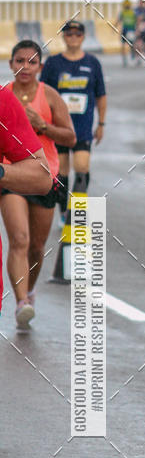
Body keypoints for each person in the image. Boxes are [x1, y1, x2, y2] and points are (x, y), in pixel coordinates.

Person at [1, 41, 75, 327]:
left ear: (40, 67)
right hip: (10, 176)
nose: (25, 67)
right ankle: (21, 301)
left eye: (31, 62)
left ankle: (29, 290)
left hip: (45, 177)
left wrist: (42, 126)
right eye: (19, 60)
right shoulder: (4, 96)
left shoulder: (50, 97)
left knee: (36, 246)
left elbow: (70, 137)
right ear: (10, 64)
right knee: (19, 238)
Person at [41, 20, 106, 215]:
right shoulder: (53, 63)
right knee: (61, 171)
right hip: (59, 127)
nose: (73, 38)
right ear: (63, 36)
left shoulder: (92, 63)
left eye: (78, 34)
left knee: (82, 166)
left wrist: (101, 123)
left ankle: (78, 211)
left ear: (84, 37)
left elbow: (101, 95)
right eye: (69, 34)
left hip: (83, 127)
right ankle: (63, 212)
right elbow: (42, 94)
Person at [0, 86, 54, 320]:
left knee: (32, 243)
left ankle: (25, 295)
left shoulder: (2, 100)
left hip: (29, 177)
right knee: (21, 238)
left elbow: (42, 176)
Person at [117, 0, 137, 66]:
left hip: (130, 30)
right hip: (126, 30)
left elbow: (136, 21)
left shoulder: (132, 13)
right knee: (126, 45)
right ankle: (125, 59)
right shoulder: (124, 13)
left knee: (131, 45)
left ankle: (132, 55)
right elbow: (119, 20)